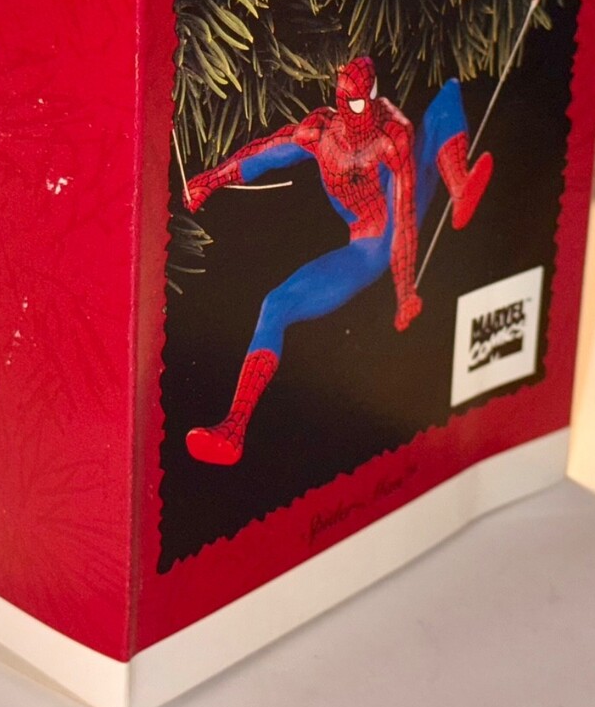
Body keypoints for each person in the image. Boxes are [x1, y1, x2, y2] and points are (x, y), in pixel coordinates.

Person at [182, 55, 492, 465]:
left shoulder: (392, 136)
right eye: (349, 102)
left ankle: (459, 184)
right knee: (275, 305)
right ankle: (234, 427)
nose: (356, 113)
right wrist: (210, 180)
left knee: (447, 96)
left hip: (399, 214)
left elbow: (403, 215)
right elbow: (267, 152)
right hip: (364, 248)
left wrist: (404, 290)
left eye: (362, 101)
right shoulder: (318, 131)